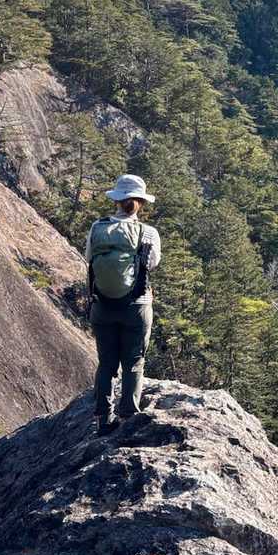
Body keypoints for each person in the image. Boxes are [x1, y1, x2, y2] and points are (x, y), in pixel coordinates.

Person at [85, 174, 162, 435]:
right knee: (133, 362)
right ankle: (128, 416)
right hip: (137, 305)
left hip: (103, 305)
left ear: (116, 200)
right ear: (141, 202)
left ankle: (103, 419)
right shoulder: (148, 232)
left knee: (106, 363)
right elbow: (151, 264)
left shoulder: (98, 227)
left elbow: (89, 258)